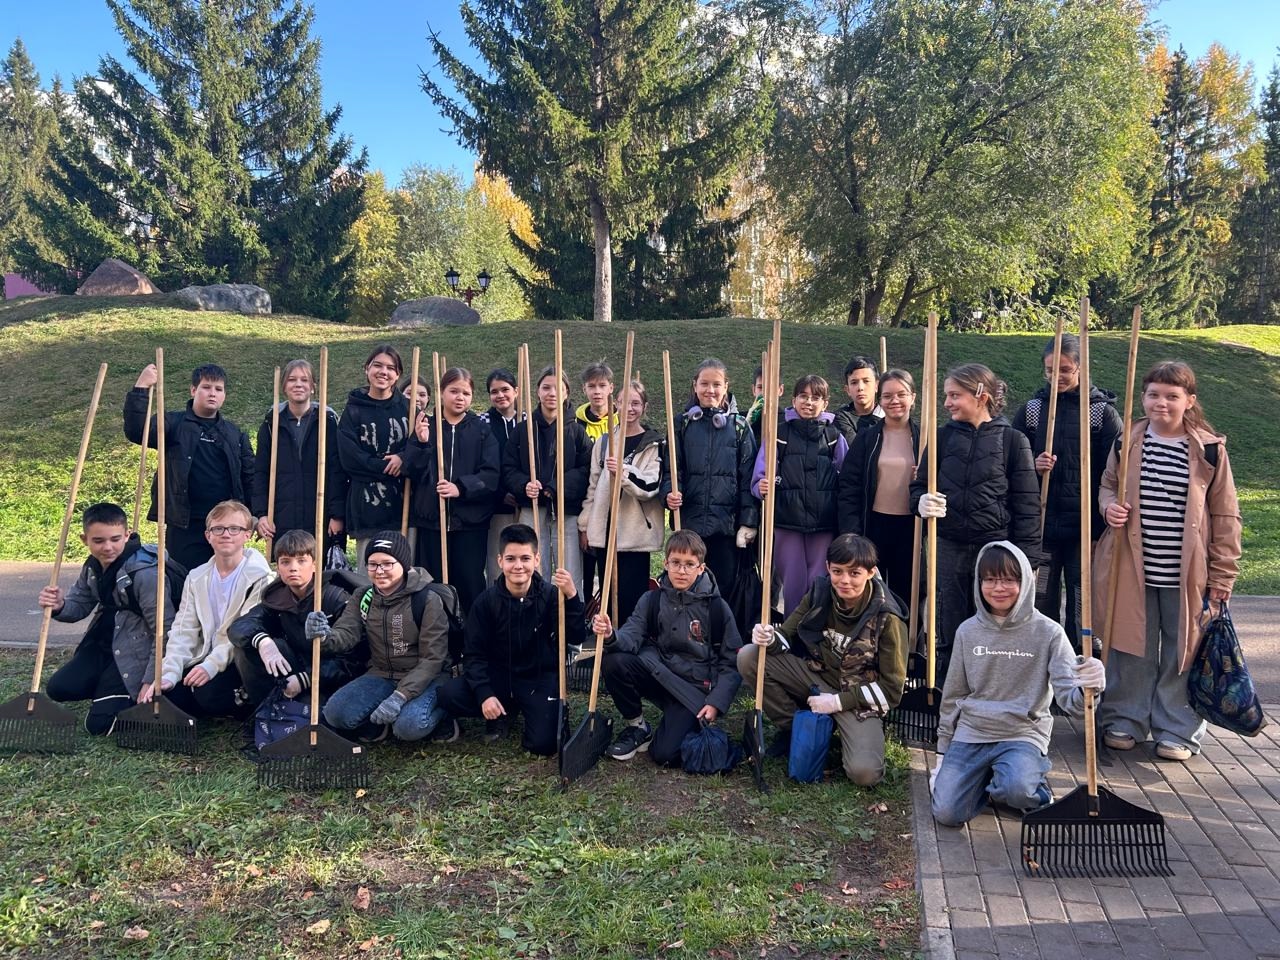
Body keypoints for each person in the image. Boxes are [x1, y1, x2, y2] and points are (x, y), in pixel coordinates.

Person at [1094, 361, 1242, 762]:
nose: (1161, 402)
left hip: (1187, 572)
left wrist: (1223, 575)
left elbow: (1226, 515)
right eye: (1154, 394)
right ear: (1143, 397)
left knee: (1184, 651)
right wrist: (1108, 508)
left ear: (1189, 401)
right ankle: (1125, 719)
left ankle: (1177, 728)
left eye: (1172, 396)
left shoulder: (1209, 450)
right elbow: (1107, 485)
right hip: (1131, 566)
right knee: (1130, 645)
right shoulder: (1127, 441)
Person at [931, 541, 1105, 826]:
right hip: (972, 732)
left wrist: (1091, 686)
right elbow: (953, 696)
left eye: (1009, 580)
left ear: (1025, 581)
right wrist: (942, 751)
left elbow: (1072, 704)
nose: (998, 588)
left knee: (1018, 791)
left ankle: (1029, 788)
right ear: (979, 582)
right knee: (947, 813)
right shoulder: (967, 632)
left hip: (1023, 733)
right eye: (990, 579)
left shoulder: (1049, 633)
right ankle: (990, 779)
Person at [739, 534, 907, 785]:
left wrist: (837, 702)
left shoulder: (888, 617)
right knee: (750, 656)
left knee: (865, 773)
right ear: (828, 567)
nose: (844, 580)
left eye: (854, 573)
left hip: (856, 697)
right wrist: (767, 637)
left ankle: (844, 737)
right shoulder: (821, 592)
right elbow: (786, 635)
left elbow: (891, 691)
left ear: (871, 572)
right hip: (817, 677)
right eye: (837, 571)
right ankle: (796, 729)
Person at [910, 364, 1040, 682]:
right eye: (946, 396)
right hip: (948, 545)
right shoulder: (941, 439)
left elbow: (1027, 505)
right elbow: (918, 486)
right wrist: (920, 501)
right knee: (948, 623)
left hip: (994, 550)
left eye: (955, 395)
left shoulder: (1013, 441)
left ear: (981, 395)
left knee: (994, 624)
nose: (947, 403)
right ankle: (947, 688)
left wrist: (1026, 561)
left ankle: (992, 687)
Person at [591, 530, 742, 764]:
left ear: (701, 568)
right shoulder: (651, 599)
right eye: (676, 563)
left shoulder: (717, 608)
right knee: (614, 660)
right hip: (659, 673)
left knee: (664, 754)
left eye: (689, 564)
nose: (681, 570)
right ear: (666, 563)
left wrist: (716, 702)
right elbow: (632, 634)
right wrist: (611, 634)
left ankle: (680, 721)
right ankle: (638, 727)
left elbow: (732, 662)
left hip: (693, 689)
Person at [1011, 334, 1122, 650]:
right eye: (1050, 370)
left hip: (1083, 531)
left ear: (1081, 368)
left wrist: (1099, 529)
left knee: (1081, 599)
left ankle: (1081, 664)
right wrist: (1033, 464)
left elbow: (1115, 475)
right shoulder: (1033, 410)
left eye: (1064, 370)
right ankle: (1046, 661)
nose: (1056, 376)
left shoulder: (1100, 414)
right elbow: (1011, 463)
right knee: (1042, 597)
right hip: (1043, 527)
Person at [436, 524, 583, 754]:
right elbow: (474, 655)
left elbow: (575, 636)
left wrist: (572, 597)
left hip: (537, 679)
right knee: (448, 694)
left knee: (544, 745)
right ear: (500, 561)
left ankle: (526, 708)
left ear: (537, 559)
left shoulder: (551, 596)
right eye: (511, 559)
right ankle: (501, 711)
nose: (518, 566)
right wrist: (484, 694)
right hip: (498, 677)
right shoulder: (485, 603)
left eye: (525, 558)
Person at [37, 503, 176, 734]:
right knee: (59, 688)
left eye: (115, 539)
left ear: (127, 535)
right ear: (85, 539)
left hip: (135, 650)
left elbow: (164, 630)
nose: (108, 547)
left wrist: (150, 679)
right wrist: (60, 605)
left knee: (99, 726)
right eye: (99, 541)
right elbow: (80, 605)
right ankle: (107, 688)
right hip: (104, 644)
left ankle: (117, 691)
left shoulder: (146, 575)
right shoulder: (93, 566)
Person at [305, 531, 450, 742]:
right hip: (381, 673)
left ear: (404, 565)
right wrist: (325, 636)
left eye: (387, 564)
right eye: (372, 565)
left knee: (408, 727)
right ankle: (380, 723)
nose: (379, 571)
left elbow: (432, 659)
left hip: (426, 677)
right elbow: (347, 632)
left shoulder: (427, 599)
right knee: (335, 714)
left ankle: (443, 714)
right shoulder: (363, 596)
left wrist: (400, 697)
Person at [139, 500, 271, 718]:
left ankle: (244, 700)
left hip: (237, 658)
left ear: (247, 535)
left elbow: (244, 633)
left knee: (208, 695)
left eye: (234, 529)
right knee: (169, 694)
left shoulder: (260, 577)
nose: (225, 534)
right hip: (204, 654)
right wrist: (170, 672)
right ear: (208, 536)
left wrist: (210, 666)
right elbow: (183, 630)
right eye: (218, 529)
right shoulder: (196, 577)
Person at [123, 362, 254, 570]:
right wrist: (141, 388)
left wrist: (253, 514)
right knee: (183, 577)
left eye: (218, 389)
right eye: (206, 387)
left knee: (225, 576)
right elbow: (138, 431)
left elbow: (249, 475)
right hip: (185, 523)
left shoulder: (234, 433)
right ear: (193, 390)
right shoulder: (173, 424)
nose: (212, 393)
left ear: (224, 395)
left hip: (225, 525)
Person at [228, 529, 367, 705]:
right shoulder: (277, 598)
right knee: (246, 647)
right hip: (295, 666)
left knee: (327, 712)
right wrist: (263, 642)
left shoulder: (336, 598)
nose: (293, 568)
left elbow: (356, 658)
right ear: (278, 567)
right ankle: (265, 710)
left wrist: (307, 678)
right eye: (285, 562)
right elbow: (240, 626)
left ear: (315, 564)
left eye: (301, 561)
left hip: (330, 677)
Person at [405, 366, 500, 622]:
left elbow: (491, 475)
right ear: (441, 392)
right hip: (432, 523)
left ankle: (472, 638)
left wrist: (461, 487)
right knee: (432, 586)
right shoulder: (427, 426)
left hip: (469, 524)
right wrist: (421, 443)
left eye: (466, 393)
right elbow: (410, 471)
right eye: (454, 391)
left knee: (470, 582)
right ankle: (437, 638)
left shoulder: (481, 430)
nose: (460, 397)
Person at [662, 358, 758, 600]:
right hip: (689, 523)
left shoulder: (739, 427)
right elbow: (671, 469)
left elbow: (748, 478)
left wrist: (748, 522)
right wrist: (669, 493)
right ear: (695, 386)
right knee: (686, 587)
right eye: (704, 383)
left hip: (726, 528)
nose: (710, 390)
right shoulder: (681, 424)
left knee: (722, 591)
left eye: (716, 384)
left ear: (726, 387)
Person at [752, 375, 848, 615]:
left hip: (823, 522)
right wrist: (761, 486)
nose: (809, 402)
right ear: (793, 400)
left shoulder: (834, 436)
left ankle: (815, 629)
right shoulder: (778, 434)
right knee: (793, 581)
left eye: (816, 398)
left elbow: (846, 476)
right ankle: (791, 630)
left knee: (819, 580)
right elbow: (761, 473)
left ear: (825, 403)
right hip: (787, 521)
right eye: (803, 396)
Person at [579, 377, 664, 625]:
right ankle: (609, 641)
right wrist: (585, 525)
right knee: (608, 595)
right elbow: (593, 485)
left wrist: (623, 473)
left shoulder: (654, 443)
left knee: (633, 597)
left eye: (636, 403)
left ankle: (632, 640)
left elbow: (650, 486)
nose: (629, 408)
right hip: (605, 532)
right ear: (615, 404)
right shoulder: (605, 441)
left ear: (644, 407)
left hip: (634, 534)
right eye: (624, 402)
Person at [502, 364, 592, 587]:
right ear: (537, 391)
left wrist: (556, 486)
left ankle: (570, 609)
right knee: (533, 568)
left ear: (567, 392)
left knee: (569, 571)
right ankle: (534, 608)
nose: (552, 393)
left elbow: (586, 470)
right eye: (546, 387)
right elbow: (509, 467)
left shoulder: (577, 431)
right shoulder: (523, 430)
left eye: (558, 388)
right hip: (531, 508)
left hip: (566, 510)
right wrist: (524, 485)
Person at [837, 369, 920, 600]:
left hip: (911, 527)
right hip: (873, 524)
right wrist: (851, 532)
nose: (894, 401)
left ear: (913, 397)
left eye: (901, 394)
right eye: (887, 396)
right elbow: (849, 486)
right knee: (871, 593)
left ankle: (905, 625)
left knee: (907, 592)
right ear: (880, 399)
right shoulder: (868, 437)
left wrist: (924, 478)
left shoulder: (925, 438)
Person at [252, 359, 346, 560]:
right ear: (284, 386)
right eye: (292, 379)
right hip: (282, 515)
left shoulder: (328, 423)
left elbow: (337, 472)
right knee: (288, 567)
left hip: (320, 516)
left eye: (304, 380)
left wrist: (337, 515)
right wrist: (261, 514)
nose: (298, 384)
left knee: (319, 568)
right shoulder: (271, 424)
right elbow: (260, 472)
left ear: (313, 387)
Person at [337, 345, 409, 563]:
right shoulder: (353, 410)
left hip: (404, 507)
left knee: (402, 570)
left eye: (390, 368)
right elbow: (350, 459)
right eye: (377, 365)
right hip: (366, 508)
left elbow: (421, 450)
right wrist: (388, 467)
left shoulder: (408, 408)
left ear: (398, 375)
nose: (383, 372)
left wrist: (403, 459)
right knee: (370, 570)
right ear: (366, 368)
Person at [576, 360, 617, 599]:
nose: (597, 391)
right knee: (585, 563)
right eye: (592, 386)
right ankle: (585, 608)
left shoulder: (623, 422)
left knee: (608, 566)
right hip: (585, 501)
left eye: (602, 386)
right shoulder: (575, 423)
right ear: (584, 389)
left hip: (612, 505)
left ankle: (606, 609)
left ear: (611, 387)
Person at [482, 367, 521, 582]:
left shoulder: (528, 421)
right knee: (497, 561)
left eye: (505, 389)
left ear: (516, 390)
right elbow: (481, 464)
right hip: (495, 505)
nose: (500, 395)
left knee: (521, 560)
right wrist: (500, 493)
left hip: (524, 502)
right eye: (494, 391)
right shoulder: (482, 422)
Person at [832, 356, 884, 447]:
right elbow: (858, 449)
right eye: (854, 383)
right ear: (847, 390)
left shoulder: (888, 414)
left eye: (866, 381)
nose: (860, 388)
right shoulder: (841, 418)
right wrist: (876, 419)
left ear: (877, 386)